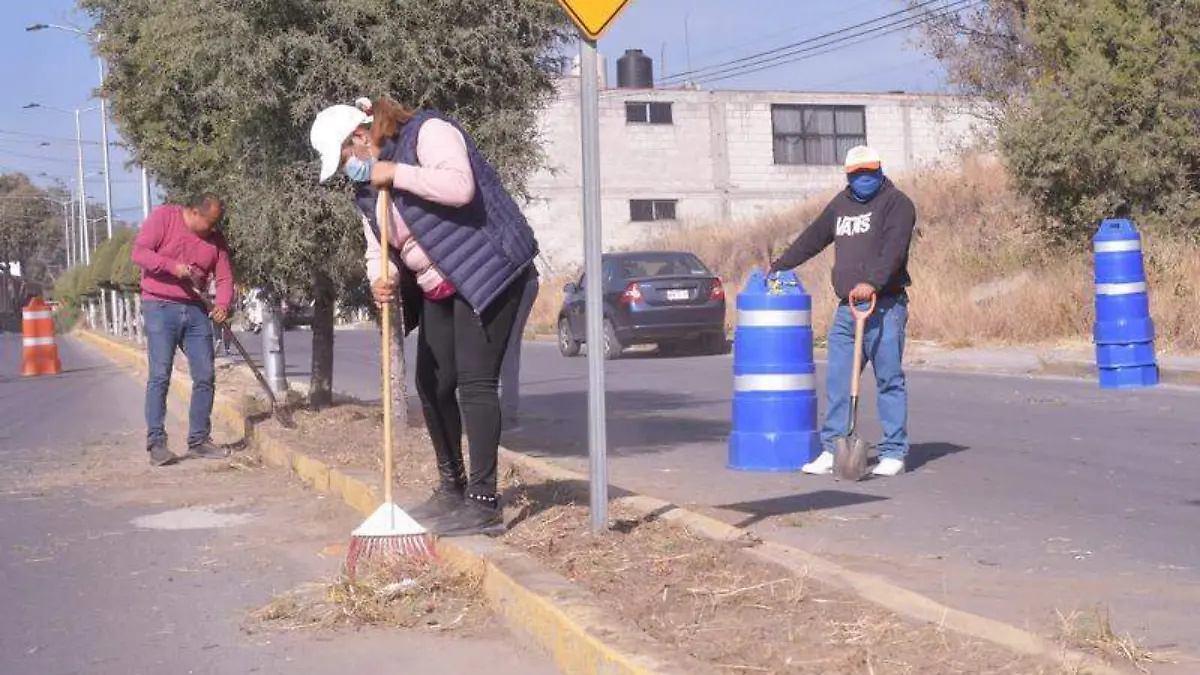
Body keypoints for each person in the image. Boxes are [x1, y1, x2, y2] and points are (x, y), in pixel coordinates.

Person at [309, 97, 539, 536]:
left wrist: (394, 173)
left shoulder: (428, 133)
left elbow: (459, 187)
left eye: (343, 159)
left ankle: (485, 501)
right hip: (439, 284)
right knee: (431, 384)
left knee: (475, 382)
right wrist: (382, 277)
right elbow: (378, 247)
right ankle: (452, 487)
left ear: (360, 137)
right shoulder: (368, 190)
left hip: (488, 269)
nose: (346, 171)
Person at [768, 146, 916, 477]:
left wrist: (873, 283)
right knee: (838, 382)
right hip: (847, 310)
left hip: (885, 306)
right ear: (848, 176)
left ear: (879, 170)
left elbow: (894, 249)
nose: (864, 179)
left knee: (889, 379)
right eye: (857, 174)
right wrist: (779, 266)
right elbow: (812, 238)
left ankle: (893, 451)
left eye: (869, 172)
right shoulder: (841, 205)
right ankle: (833, 448)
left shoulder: (897, 203)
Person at [131, 193, 234, 467]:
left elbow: (224, 277)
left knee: (205, 375)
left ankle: (199, 440)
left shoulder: (215, 239)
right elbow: (139, 253)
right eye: (209, 223)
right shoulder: (163, 217)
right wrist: (172, 267)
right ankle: (156, 443)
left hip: (197, 310)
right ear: (194, 213)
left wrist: (223, 304)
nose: (212, 230)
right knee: (160, 375)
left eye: (216, 224)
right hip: (159, 306)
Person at [500, 265, 540, 432]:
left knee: (507, 346)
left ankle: (508, 415)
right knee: (509, 346)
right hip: (522, 278)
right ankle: (507, 413)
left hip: (514, 281)